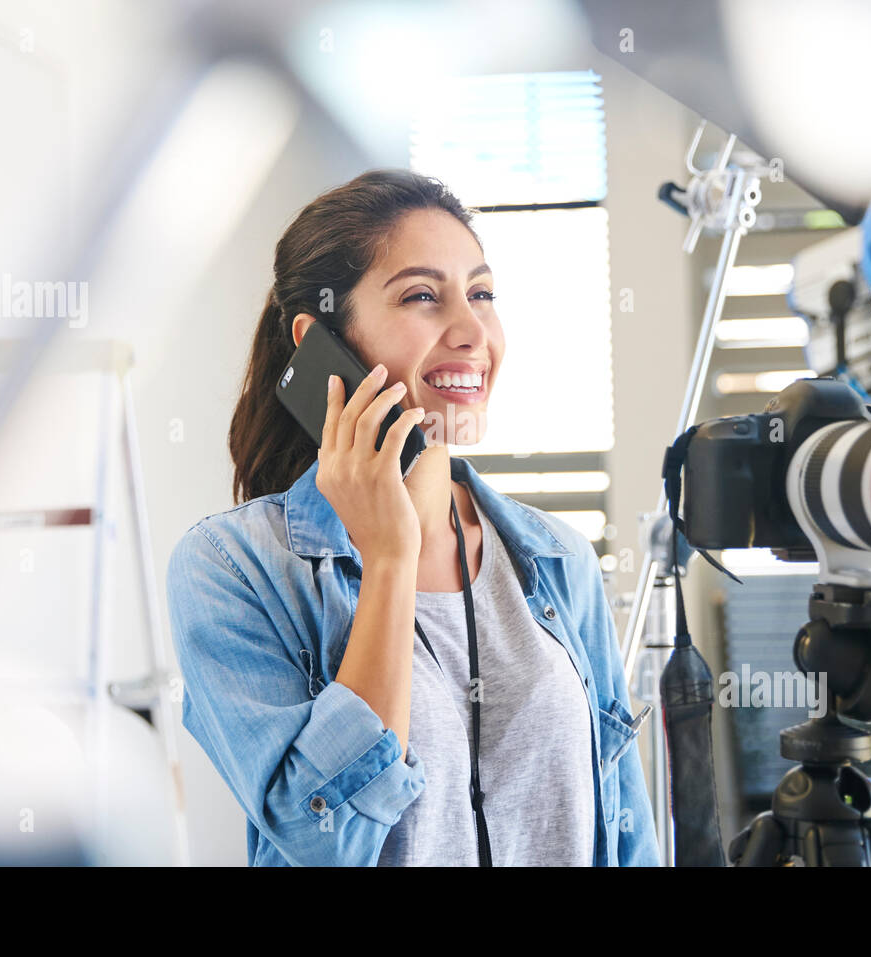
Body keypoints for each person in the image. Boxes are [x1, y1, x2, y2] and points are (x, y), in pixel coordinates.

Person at [165, 168, 660, 866]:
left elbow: (629, 834)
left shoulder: (556, 558)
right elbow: (326, 839)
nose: (470, 330)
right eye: (423, 297)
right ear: (320, 343)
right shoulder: (231, 568)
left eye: (482, 294)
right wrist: (390, 560)